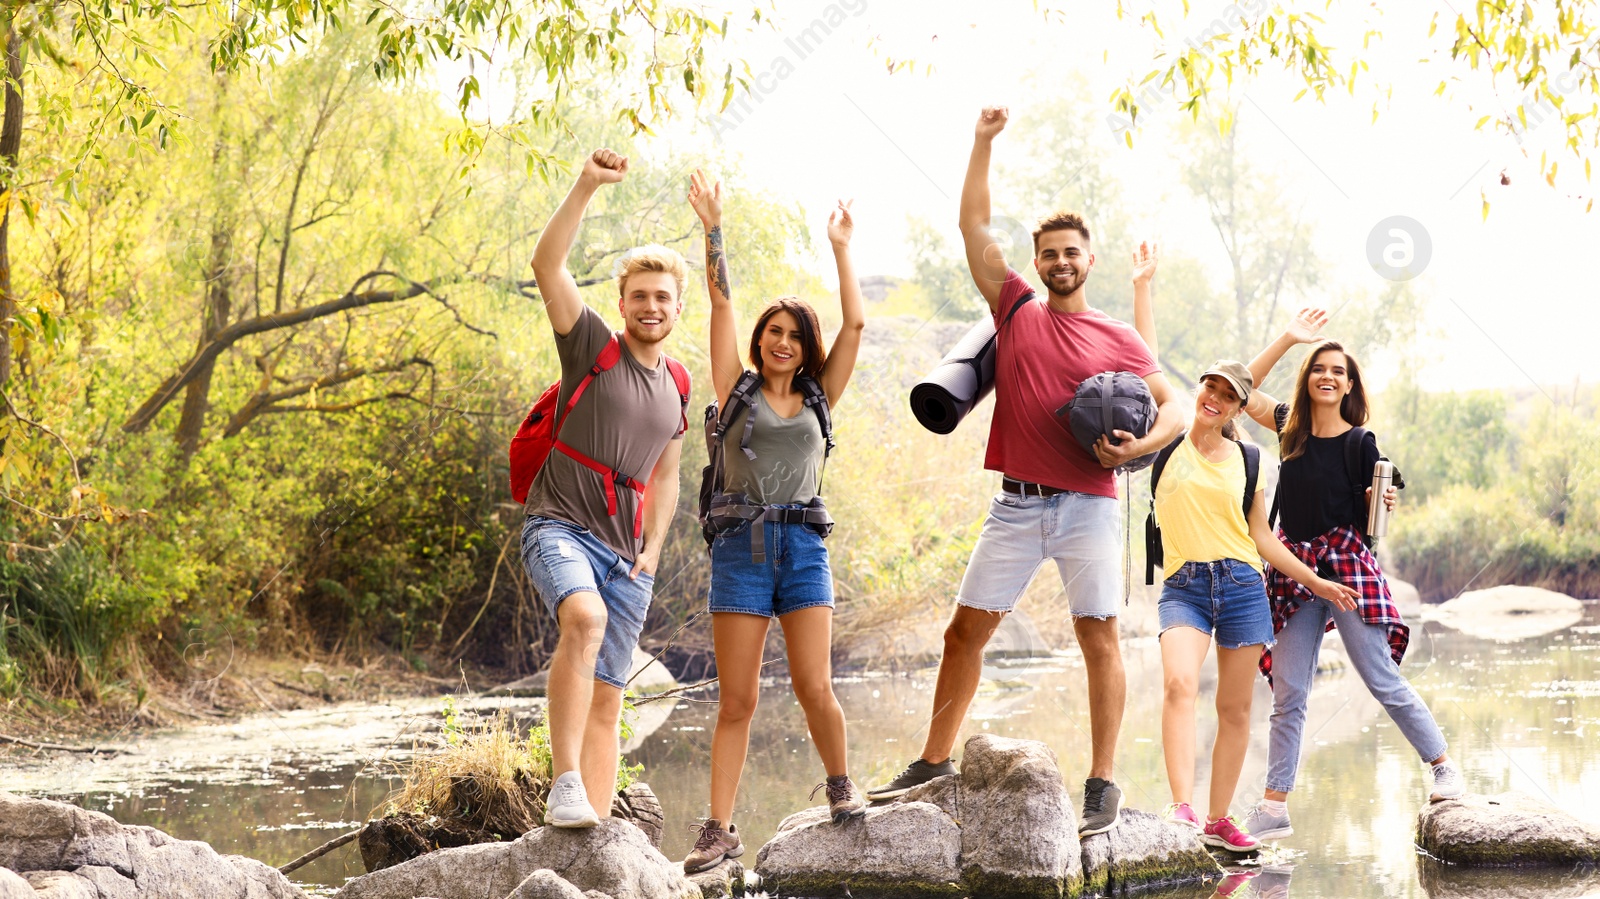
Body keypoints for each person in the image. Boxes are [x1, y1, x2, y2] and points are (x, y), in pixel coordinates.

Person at [866, 105, 1185, 838]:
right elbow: (973, 226)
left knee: (1098, 639)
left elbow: (1175, 407)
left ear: (1088, 258)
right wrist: (980, 142)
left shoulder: (1118, 334)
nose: (1060, 262)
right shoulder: (1013, 308)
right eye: (1049, 254)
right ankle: (934, 759)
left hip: (1089, 508)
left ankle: (1101, 784)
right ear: (1037, 262)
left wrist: (1136, 450)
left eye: (1072, 252)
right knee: (961, 634)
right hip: (1015, 505)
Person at [680, 171, 868, 873]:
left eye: (792, 334)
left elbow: (854, 324)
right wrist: (713, 227)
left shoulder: (822, 396)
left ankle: (841, 785)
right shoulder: (736, 388)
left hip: (804, 549)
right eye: (772, 332)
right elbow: (720, 299)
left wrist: (841, 248)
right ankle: (717, 828)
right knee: (738, 697)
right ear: (758, 341)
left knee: (814, 685)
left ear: (805, 344)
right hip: (740, 549)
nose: (780, 341)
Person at [1239, 310, 1464, 843]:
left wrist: (1382, 498)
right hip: (1294, 568)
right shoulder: (1286, 425)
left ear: (1349, 384)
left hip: (1347, 564)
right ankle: (1274, 808)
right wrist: (1290, 338)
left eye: (1339, 371)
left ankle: (1443, 767)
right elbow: (1241, 388)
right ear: (1308, 376)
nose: (1329, 376)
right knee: (1289, 692)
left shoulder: (1361, 441)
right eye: (1320, 368)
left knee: (1381, 677)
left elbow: (1379, 502)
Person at [522, 148, 691, 828]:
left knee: (610, 698)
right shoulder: (594, 344)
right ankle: (563, 783)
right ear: (622, 303)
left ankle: (591, 824)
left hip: (630, 559)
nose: (651, 306)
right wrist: (587, 183)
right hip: (559, 525)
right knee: (583, 621)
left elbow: (667, 474)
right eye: (640, 296)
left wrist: (652, 549)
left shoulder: (678, 382)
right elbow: (546, 265)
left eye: (663, 297)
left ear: (677, 308)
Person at [1149, 361, 1360, 853]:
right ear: (1199, 389)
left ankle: (1218, 820)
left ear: (1239, 407)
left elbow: (1261, 535)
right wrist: (1142, 286)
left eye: (1228, 395)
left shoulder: (1249, 458)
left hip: (1244, 586)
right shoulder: (1168, 437)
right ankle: (1182, 808)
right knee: (1179, 683)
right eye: (1210, 387)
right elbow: (1147, 358)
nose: (1215, 399)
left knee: (1236, 708)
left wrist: (1317, 582)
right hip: (1184, 586)